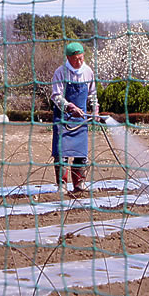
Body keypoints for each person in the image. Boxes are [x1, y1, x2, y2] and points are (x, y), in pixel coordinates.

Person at [50, 42, 99, 193]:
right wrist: (70, 107)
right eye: (75, 59)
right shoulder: (60, 73)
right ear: (68, 58)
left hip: (81, 121)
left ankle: (79, 184)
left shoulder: (88, 72)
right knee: (62, 154)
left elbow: (92, 94)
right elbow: (56, 96)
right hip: (64, 120)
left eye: (81, 58)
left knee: (81, 154)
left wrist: (95, 109)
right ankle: (62, 185)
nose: (79, 62)